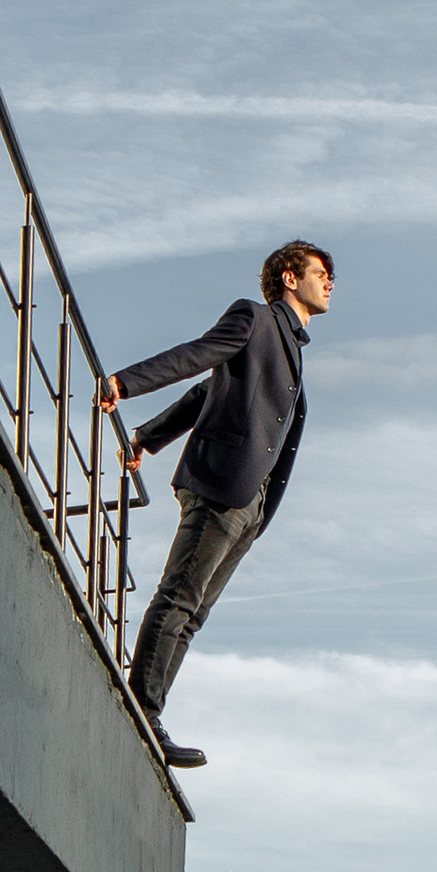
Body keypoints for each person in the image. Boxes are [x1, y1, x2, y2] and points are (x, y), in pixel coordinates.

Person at [96, 239, 333, 768]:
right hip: (223, 484)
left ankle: (148, 711)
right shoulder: (254, 318)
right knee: (179, 596)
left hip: (251, 503)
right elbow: (197, 356)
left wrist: (148, 437)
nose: (330, 282)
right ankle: (142, 710)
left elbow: (209, 394)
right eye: (321, 272)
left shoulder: (289, 347)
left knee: (195, 612)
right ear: (289, 278)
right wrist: (126, 383)